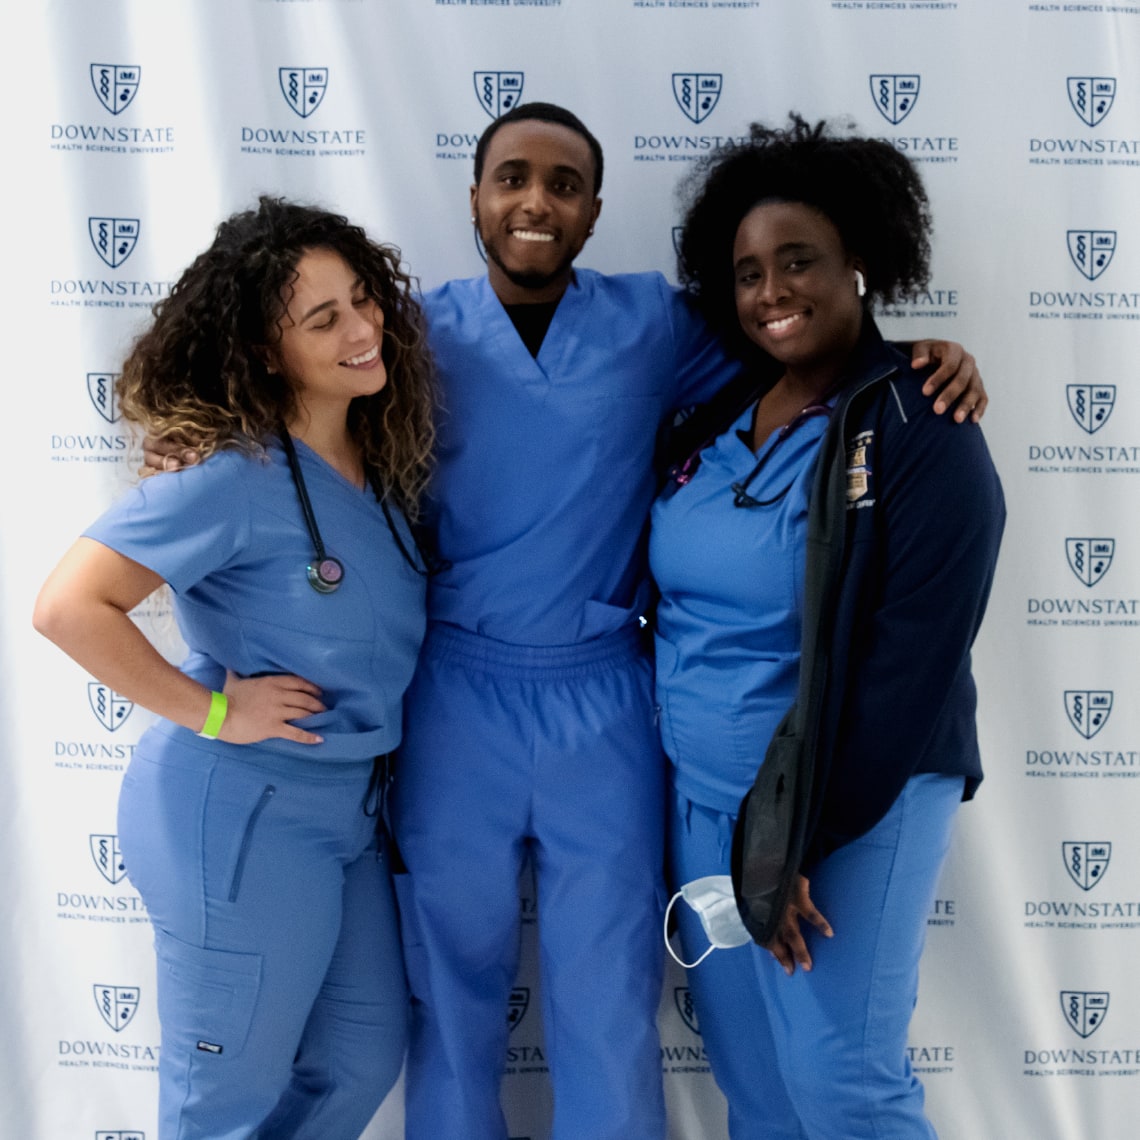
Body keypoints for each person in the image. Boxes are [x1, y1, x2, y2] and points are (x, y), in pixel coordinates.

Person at [143, 104, 987, 1140]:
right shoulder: (404, 334)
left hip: (606, 698)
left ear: (593, 213)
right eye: (511, 179)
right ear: (475, 199)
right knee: (447, 991)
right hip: (455, 695)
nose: (534, 201)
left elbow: (807, 346)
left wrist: (921, 358)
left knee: (605, 991)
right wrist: (195, 443)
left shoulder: (659, 327)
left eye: (563, 184)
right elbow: (293, 389)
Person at [33, 197, 435, 1140]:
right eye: (322, 318)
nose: (362, 328)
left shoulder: (375, 468)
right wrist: (216, 710)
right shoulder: (229, 474)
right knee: (224, 1098)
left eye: (363, 299)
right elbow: (67, 607)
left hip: (349, 814)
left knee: (360, 1056)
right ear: (263, 348)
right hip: (241, 811)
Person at [653, 116, 1004, 1139]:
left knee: (842, 1086)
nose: (771, 292)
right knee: (758, 1085)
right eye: (750, 272)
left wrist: (798, 839)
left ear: (861, 259)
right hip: (705, 808)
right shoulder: (712, 420)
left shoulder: (921, 426)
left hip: (849, 807)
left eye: (798, 261)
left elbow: (915, 666)